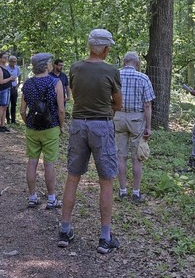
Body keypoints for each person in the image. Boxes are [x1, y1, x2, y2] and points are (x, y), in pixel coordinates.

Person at [57, 29, 122, 255]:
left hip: (78, 124)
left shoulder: (75, 68)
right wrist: (106, 110)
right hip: (101, 126)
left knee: (73, 177)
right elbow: (118, 103)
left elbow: (74, 93)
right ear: (104, 49)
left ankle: (65, 230)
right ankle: (104, 236)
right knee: (106, 180)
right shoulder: (111, 70)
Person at [20, 53, 65, 209]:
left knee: (32, 162)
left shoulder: (27, 84)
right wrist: (61, 126)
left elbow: (22, 110)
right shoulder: (55, 82)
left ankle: (32, 197)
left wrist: (29, 123)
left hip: (32, 128)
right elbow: (61, 109)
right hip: (51, 128)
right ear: (47, 66)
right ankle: (51, 198)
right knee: (49, 164)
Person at [114, 51, 155, 203]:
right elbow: (147, 105)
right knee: (137, 157)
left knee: (121, 156)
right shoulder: (143, 78)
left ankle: (122, 190)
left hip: (119, 116)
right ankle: (136, 193)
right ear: (137, 63)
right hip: (136, 119)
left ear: (124, 62)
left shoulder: (115, 75)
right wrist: (148, 127)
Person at [0, 53, 16, 132]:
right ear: (0, 58)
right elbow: (1, 81)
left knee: (5, 107)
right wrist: (10, 78)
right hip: (2, 89)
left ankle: (2, 125)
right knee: (2, 107)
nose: (6, 59)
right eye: (4, 57)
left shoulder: (5, 68)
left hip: (7, 89)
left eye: (6, 57)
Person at [6, 56, 21, 124]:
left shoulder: (17, 68)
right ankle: (7, 119)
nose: (14, 63)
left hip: (14, 88)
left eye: (15, 61)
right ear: (9, 61)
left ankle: (13, 120)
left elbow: (19, 75)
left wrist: (18, 84)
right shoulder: (6, 68)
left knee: (14, 104)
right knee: (6, 104)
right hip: (7, 87)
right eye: (12, 61)